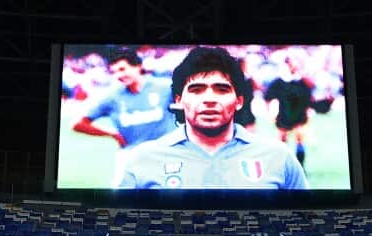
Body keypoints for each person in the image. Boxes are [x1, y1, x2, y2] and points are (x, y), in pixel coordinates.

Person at [115, 46, 309, 190]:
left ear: (239, 100)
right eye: (197, 90)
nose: (209, 99)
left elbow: (305, 221)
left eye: (221, 89)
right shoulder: (143, 158)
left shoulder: (278, 156)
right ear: (179, 100)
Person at [72, 48, 177, 149]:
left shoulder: (165, 87)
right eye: (114, 72)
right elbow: (78, 124)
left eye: (122, 69)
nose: (119, 75)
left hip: (164, 154)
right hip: (132, 156)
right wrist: (112, 134)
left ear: (138, 66)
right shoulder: (112, 97)